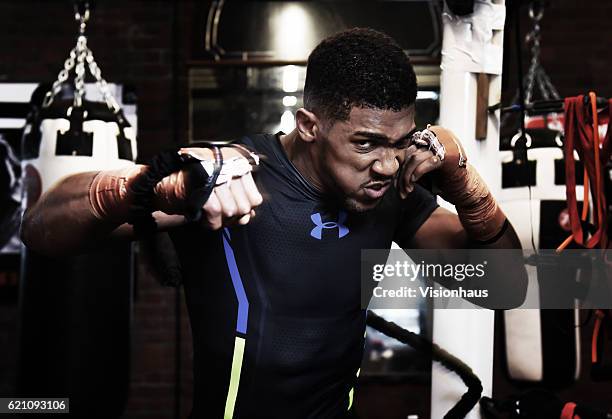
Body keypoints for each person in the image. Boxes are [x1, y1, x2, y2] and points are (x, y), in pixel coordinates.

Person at [21, 28, 524, 418]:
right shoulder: (230, 177)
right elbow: (40, 227)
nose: (388, 165)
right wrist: (166, 187)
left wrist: (465, 185)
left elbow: (503, 287)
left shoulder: (389, 193)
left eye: (399, 143)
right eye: (366, 143)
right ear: (309, 126)